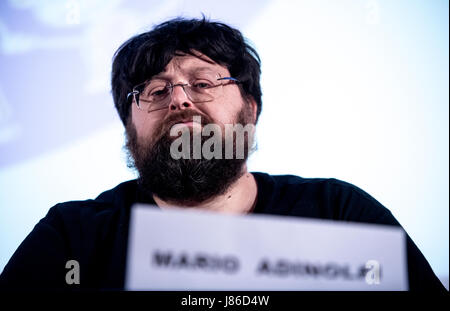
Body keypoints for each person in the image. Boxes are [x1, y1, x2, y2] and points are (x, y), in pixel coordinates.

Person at [0, 17, 445, 292]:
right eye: (155, 90)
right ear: (129, 128)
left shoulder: (340, 214)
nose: (179, 100)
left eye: (203, 83)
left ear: (249, 110)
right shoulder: (72, 238)